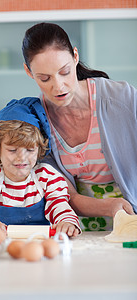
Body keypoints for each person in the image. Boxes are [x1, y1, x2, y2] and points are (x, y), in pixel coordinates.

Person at [21, 22, 137, 230]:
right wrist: (109, 206)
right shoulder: (37, 121)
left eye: (64, 72)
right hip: (78, 230)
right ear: (29, 72)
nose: (58, 86)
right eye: (44, 78)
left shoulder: (122, 99)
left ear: (75, 56)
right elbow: (63, 194)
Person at [0, 97, 81, 237]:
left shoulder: (47, 177)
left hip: (39, 247)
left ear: (39, 150)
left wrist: (66, 223)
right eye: (12, 150)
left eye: (30, 150)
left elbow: (60, 206)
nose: (21, 158)